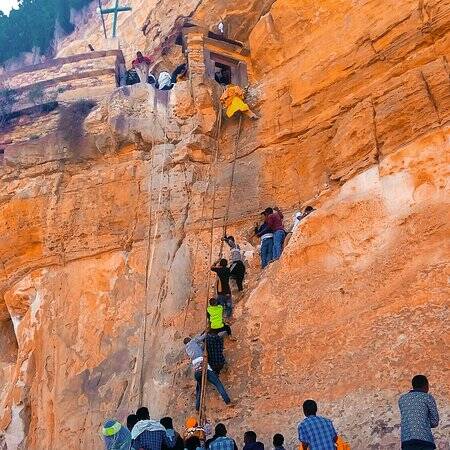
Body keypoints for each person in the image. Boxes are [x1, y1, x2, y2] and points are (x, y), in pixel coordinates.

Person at [398, 375, 439, 450]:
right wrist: (424, 422)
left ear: (413, 385)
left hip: (407, 440)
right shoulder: (428, 397)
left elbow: (407, 417)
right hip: (425, 440)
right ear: (426, 386)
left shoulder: (402, 399)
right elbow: (435, 421)